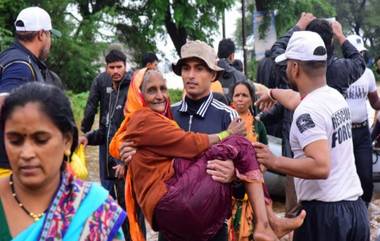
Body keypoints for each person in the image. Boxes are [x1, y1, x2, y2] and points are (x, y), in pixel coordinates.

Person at [110, 68, 305, 241]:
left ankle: (267, 222)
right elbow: (182, 145)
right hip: (173, 223)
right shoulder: (169, 114)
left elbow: (245, 179)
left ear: (212, 75)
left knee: (244, 147)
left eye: (199, 68)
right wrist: (130, 153)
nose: (191, 75)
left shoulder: (227, 115)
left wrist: (234, 174)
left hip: (211, 226)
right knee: (240, 144)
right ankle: (267, 222)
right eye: (186, 68)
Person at [254, 31, 370, 241]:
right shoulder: (333, 96)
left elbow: (320, 166)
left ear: (295, 67)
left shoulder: (308, 111)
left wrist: (274, 161)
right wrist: (272, 93)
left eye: (288, 63)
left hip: (326, 218)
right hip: (355, 211)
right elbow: (296, 99)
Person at [0, 82, 126, 240]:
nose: (26, 153)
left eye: (41, 140)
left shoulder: (96, 210)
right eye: (15, 140)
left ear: (67, 141)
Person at [0, 6, 61, 177]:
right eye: (49, 35)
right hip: (8, 168)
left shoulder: (8, 56)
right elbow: (4, 105)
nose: (50, 41)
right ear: (41, 34)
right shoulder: (21, 65)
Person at [79, 49, 132, 238]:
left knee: (130, 209)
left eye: (119, 66)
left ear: (126, 66)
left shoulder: (134, 87)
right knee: (107, 202)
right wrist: (87, 135)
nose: (116, 70)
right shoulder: (103, 82)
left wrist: (126, 161)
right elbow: (100, 119)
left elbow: (140, 129)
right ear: (106, 68)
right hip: (106, 153)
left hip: (127, 158)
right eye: (112, 67)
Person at [228, 81, 268, 241]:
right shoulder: (226, 123)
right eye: (237, 95)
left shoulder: (259, 126)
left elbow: (265, 158)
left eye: (244, 95)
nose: (240, 99)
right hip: (230, 186)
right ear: (231, 99)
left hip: (254, 188)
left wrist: (257, 173)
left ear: (251, 99)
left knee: (250, 231)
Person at [344, 34, 380, 207]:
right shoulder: (338, 72)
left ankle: (363, 209)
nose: (359, 57)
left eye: (361, 53)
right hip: (343, 132)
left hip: (362, 132)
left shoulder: (368, 74)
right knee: (344, 174)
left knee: (365, 175)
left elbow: (375, 103)